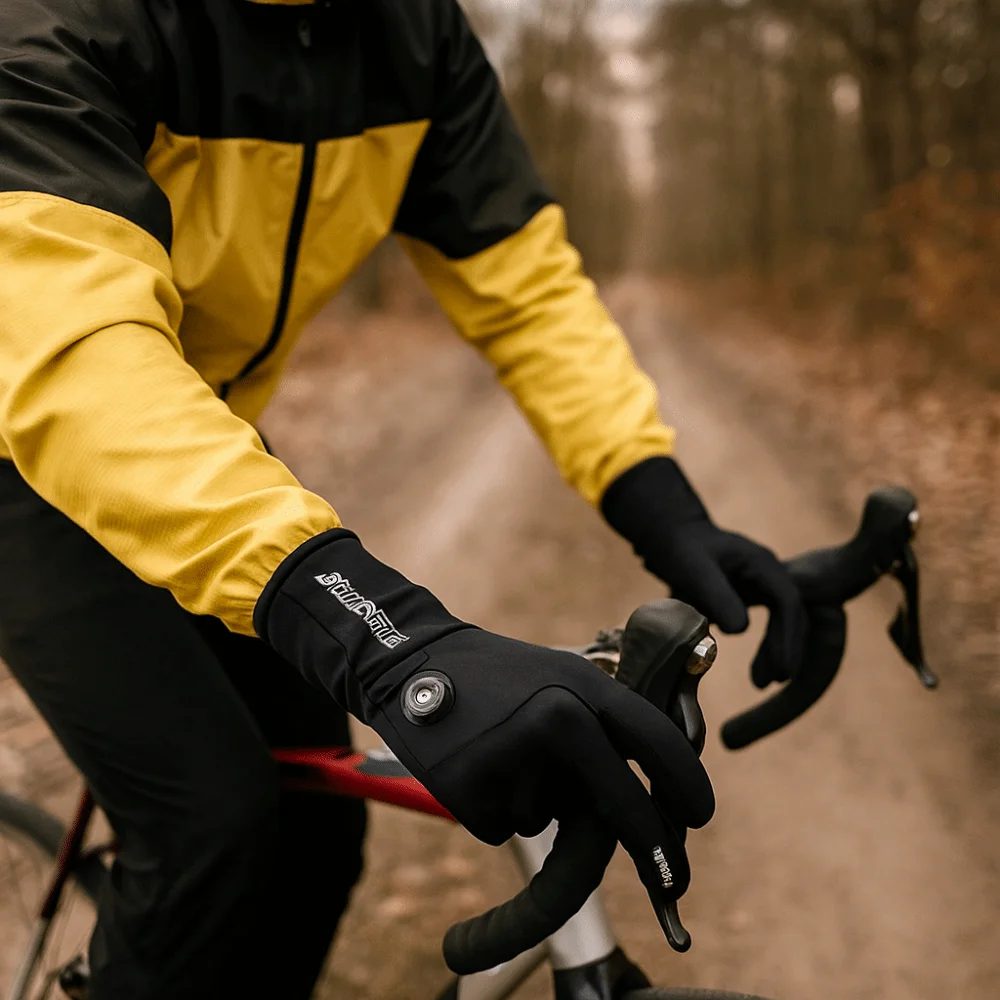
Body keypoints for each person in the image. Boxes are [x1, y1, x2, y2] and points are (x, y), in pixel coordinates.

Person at [0, 1, 807, 997]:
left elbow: (523, 283)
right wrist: (389, 639)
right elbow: (74, 357)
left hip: (187, 417)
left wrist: (664, 506)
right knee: (210, 828)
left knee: (317, 832)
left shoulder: (415, 34)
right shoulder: (65, 20)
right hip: (24, 416)